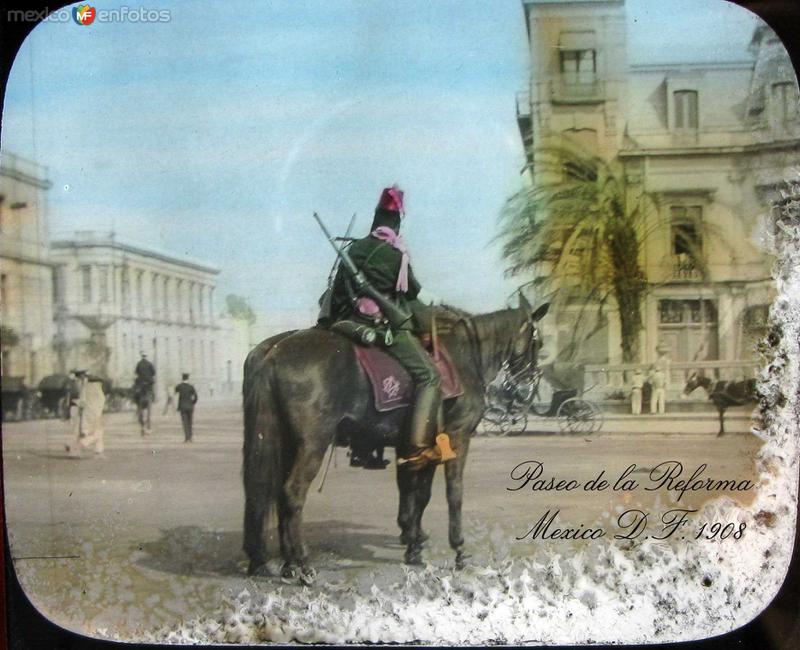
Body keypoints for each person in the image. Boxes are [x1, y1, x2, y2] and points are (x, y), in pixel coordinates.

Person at [329, 185, 456, 470]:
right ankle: (418, 448)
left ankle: (363, 445)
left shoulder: (354, 249)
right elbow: (410, 294)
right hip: (384, 329)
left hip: (350, 325)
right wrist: (425, 325)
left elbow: (337, 294)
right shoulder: (396, 254)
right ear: (397, 221)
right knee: (429, 377)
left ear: (375, 218)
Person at [65, 369, 106, 458]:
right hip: (90, 414)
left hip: (84, 413)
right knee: (95, 433)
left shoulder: (85, 387)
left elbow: (82, 401)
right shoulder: (96, 391)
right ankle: (81, 446)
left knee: (87, 432)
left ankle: (96, 452)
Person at [175, 373, 198, 442]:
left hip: (182, 407)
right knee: (190, 422)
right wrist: (193, 403)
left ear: (182, 378)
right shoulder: (191, 387)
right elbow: (196, 397)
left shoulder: (179, 386)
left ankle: (186, 437)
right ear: (188, 378)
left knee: (185, 422)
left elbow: (175, 391)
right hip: (190, 407)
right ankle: (190, 436)